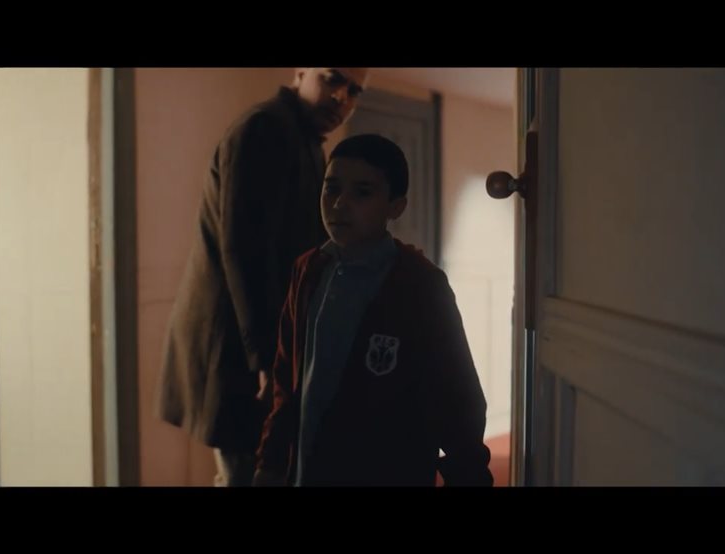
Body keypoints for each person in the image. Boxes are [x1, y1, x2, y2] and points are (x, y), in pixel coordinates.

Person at [159, 68, 372, 486]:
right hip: (238, 345)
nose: (342, 98)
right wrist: (265, 357)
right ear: (301, 72)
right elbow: (244, 249)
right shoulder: (265, 129)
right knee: (251, 472)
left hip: (260, 341)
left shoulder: (304, 140)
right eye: (332, 79)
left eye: (354, 91)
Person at [253, 133, 493, 486]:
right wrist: (270, 462)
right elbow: (285, 379)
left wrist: (468, 474)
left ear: (396, 206)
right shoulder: (308, 270)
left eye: (362, 192)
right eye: (331, 189)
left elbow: (457, 398)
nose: (339, 203)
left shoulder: (419, 285)